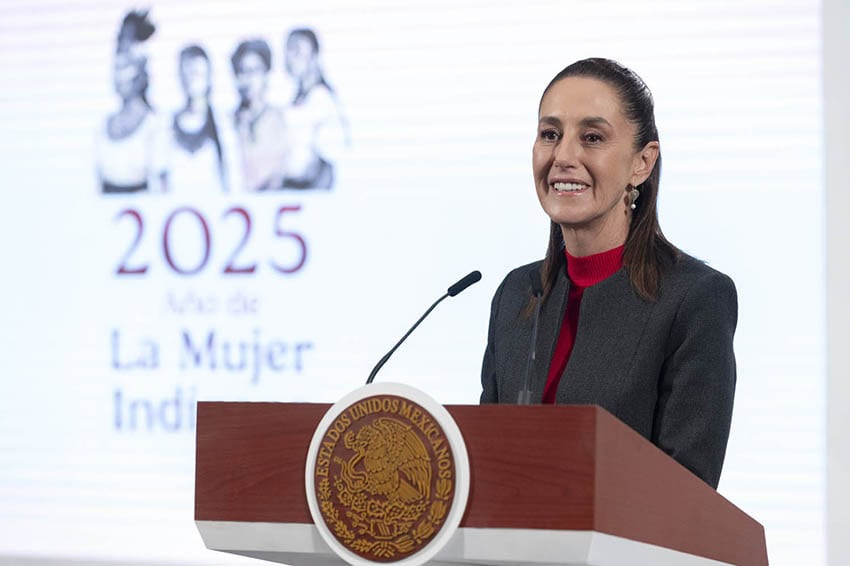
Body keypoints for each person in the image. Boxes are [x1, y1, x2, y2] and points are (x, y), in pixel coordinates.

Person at [480, 58, 737, 489]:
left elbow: (688, 494)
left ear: (642, 162)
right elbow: (485, 464)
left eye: (592, 137)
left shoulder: (694, 299)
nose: (563, 157)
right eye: (550, 135)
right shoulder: (516, 294)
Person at [96, 10, 167, 193]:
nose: (119, 74)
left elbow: (161, 189)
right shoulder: (103, 124)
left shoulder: (155, 125)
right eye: (117, 66)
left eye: (126, 65)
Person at [281, 28, 347, 190]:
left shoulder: (321, 99)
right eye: (288, 51)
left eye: (297, 51)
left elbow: (329, 159)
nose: (290, 58)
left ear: (314, 56)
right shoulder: (299, 98)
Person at [168, 44, 228, 194]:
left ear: (208, 77)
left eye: (197, 73)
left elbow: (232, 176)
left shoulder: (223, 124)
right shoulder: (167, 125)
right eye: (187, 72)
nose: (192, 79)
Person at [231, 39, 289, 192]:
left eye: (254, 71)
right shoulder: (227, 123)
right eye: (242, 71)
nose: (247, 79)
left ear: (266, 74)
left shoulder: (281, 120)